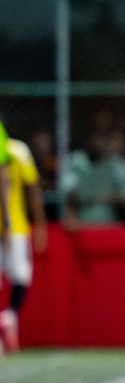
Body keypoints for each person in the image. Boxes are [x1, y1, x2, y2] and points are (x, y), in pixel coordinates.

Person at [1, 129, 47, 352]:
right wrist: (39, 225)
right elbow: (33, 189)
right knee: (20, 277)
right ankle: (9, 316)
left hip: (13, 225)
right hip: (15, 225)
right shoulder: (17, 150)